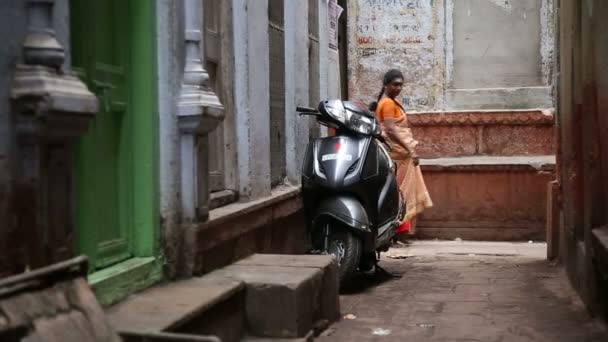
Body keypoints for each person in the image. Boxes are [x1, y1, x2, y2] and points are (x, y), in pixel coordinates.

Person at [372, 69, 433, 235]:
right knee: (402, 191)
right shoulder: (388, 104)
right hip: (399, 154)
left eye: (401, 85)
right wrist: (410, 150)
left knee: (400, 190)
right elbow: (391, 130)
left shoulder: (387, 102)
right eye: (395, 84)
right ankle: (397, 230)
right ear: (386, 85)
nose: (398, 88)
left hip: (398, 152)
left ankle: (398, 230)